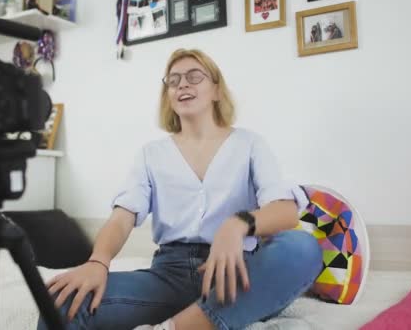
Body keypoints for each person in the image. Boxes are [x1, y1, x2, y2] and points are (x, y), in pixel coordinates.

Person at [38, 48, 322, 330]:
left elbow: (285, 211)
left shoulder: (250, 144)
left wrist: (236, 225)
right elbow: (121, 218)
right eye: (173, 81)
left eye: (194, 76)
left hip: (236, 276)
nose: (182, 84)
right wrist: (98, 262)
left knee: (303, 248)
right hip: (168, 278)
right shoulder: (151, 154)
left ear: (216, 90)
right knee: (61, 302)